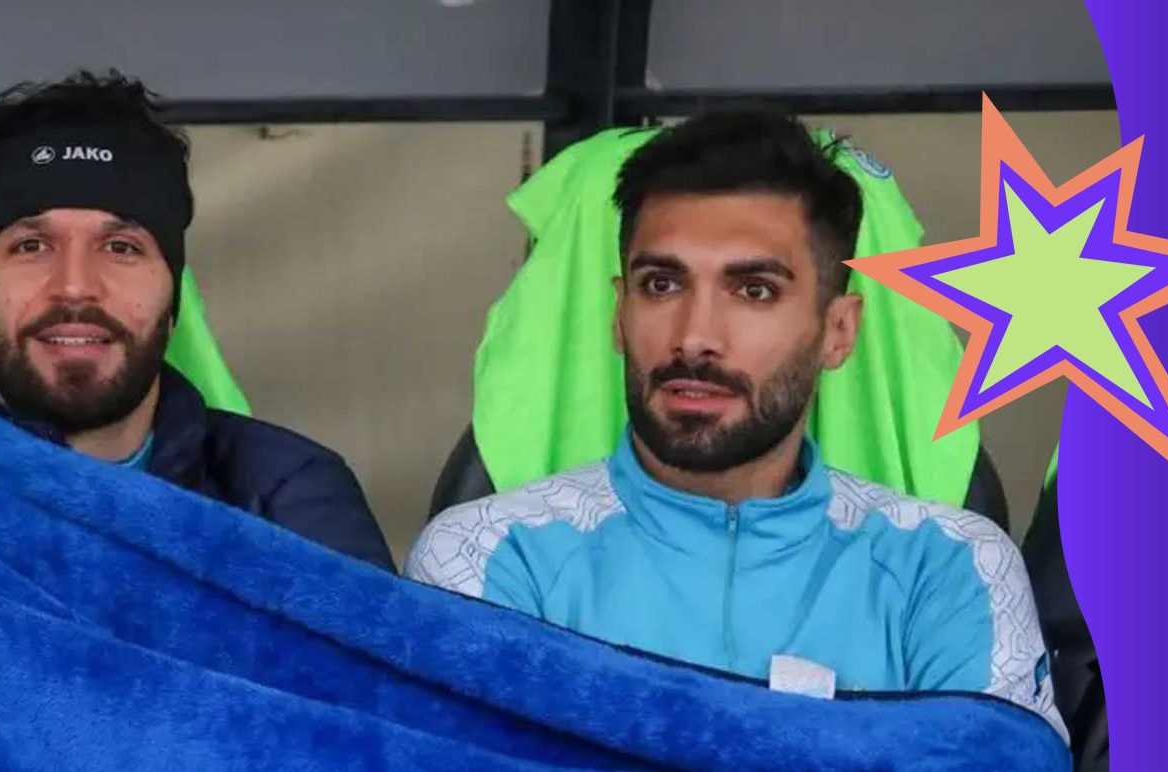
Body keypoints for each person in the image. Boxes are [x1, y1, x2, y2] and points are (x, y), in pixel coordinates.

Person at [404, 111, 1065, 738]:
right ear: (618, 315)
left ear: (838, 331)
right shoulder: (486, 557)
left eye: (754, 291)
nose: (695, 337)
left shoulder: (951, 570)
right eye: (662, 285)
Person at [0, 71, 390, 569]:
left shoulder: (287, 497)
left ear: (172, 302)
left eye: (120, 247)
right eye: (31, 246)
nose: (75, 285)